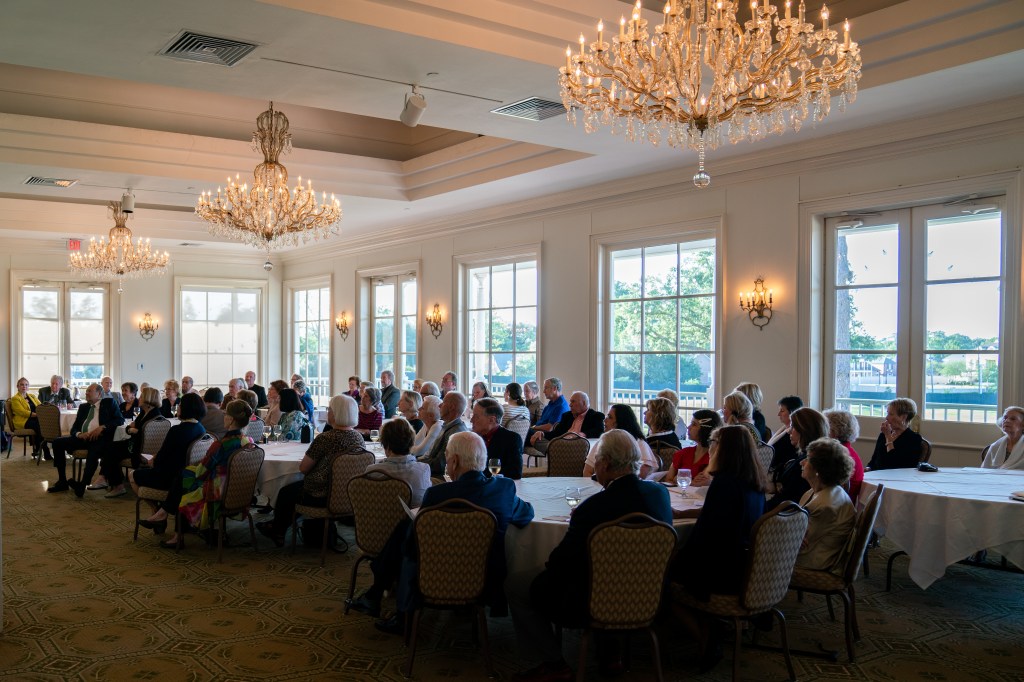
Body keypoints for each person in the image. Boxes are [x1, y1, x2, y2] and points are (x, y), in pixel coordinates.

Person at [510, 429, 672, 682]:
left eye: (596, 461)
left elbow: (560, 563)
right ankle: (611, 654)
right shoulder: (660, 495)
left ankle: (553, 664)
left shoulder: (594, 507)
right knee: (609, 572)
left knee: (516, 585)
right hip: (649, 595)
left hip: (589, 601)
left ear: (605, 464)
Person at [351, 431, 534, 634]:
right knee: (406, 529)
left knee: (407, 537)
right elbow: (526, 515)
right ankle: (376, 593)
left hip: (436, 574)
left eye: (447, 457)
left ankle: (396, 609)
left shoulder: (438, 494)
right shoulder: (503, 489)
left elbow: (412, 546)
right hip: (486, 575)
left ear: (454, 461)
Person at [671, 425, 768, 670]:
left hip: (722, 571)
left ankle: (706, 639)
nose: (710, 449)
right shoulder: (753, 482)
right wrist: (686, 513)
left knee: (659, 580)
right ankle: (710, 627)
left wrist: (675, 557)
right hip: (747, 566)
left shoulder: (724, 484)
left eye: (714, 444)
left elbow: (706, 536)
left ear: (723, 450)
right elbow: (723, 514)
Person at [256, 395, 367, 546]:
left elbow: (303, 468)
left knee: (286, 492)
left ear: (336, 413)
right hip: (348, 493)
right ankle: (277, 526)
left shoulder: (325, 438)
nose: (328, 413)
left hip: (321, 495)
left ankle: (278, 529)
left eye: (329, 410)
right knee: (293, 491)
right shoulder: (358, 438)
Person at [172, 399, 255, 547]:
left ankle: (178, 534)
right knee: (185, 476)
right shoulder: (248, 442)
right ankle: (185, 528)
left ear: (231, 419)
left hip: (217, 492)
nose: (223, 416)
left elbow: (201, 472)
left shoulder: (220, 445)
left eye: (225, 414)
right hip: (239, 491)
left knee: (183, 477)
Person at [130, 393, 206, 537]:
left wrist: (152, 460)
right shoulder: (201, 428)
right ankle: (160, 512)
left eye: (180, 405)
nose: (178, 408)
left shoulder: (177, 430)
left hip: (169, 478)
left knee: (132, 475)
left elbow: (161, 459)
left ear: (185, 408)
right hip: (187, 476)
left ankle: (155, 508)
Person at [49, 383, 123, 495]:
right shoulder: (83, 407)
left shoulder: (109, 403)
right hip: (83, 438)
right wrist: (79, 434)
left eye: (89, 391)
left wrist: (103, 427)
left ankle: (82, 485)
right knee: (57, 442)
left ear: (99, 394)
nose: (86, 393)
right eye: (87, 391)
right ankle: (62, 481)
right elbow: (74, 428)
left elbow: (119, 420)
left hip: (100, 439)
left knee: (94, 450)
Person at [795, 438, 856, 572]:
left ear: (819, 469)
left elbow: (800, 544)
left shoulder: (824, 505)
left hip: (813, 562)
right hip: (814, 551)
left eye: (807, 459)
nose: (801, 462)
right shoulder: (826, 490)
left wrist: (792, 534)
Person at [101, 386, 163, 498]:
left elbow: (140, 433)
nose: (139, 398)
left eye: (142, 396)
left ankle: (116, 484)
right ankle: (107, 479)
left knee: (110, 450)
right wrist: (132, 430)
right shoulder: (146, 413)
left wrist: (133, 430)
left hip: (138, 449)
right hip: (137, 445)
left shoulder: (152, 415)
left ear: (148, 399)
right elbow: (129, 428)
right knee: (109, 447)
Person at [766, 407, 830, 510]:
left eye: (793, 427)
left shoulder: (805, 463)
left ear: (804, 430)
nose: (789, 431)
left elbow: (787, 500)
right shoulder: (807, 455)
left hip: (786, 513)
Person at [364, 418, 432, 506]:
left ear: (386, 445)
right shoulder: (423, 470)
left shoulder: (372, 471)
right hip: (413, 515)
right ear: (411, 443)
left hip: (378, 514)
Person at [583, 404, 658, 479]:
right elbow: (587, 471)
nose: (605, 420)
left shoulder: (639, 443)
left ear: (621, 422)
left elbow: (642, 473)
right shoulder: (602, 442)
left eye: (610, 417)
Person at [663, 409, 723, 486]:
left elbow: (703, 483)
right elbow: (668, 480)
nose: (688, 427)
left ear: (705, 430)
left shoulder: (715, 457)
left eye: (694, 424)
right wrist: (691, 482)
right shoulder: (683, 453)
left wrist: (679, 479)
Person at [529, 390, 603, 452]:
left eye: (573, 402)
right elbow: (556, 433)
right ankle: (556, 451)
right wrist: (542, 433)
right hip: (561, 443)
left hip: (578, 448)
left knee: (551, 446)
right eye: (570, 402)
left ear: (584, 403)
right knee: (536, 439)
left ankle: (555, 451)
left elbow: (599, 431)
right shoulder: (567, 416)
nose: (570, 405)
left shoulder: (596, 416)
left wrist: (582, 434)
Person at [418, 391, 469, 477]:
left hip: (440, 478)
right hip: (431, 472)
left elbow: (440, 465)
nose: (439, 406)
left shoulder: (455, 433)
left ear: (451, 407)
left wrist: (415, 464)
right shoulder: (448, 426)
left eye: (443, 403)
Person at [471, 397, 524, 479]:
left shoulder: (511, 439)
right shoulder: (472, 438)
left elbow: (515, 474)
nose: (471, 420)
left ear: (492, 420)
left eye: (476, 416)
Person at [866, 397, 924, 470]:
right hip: (877, 475)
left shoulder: (913, 439)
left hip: (897, 476)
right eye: (887, 413)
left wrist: (888, 437)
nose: (886, 418)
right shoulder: (883, 435)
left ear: (903, 417)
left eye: (891, 414)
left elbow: (893, 465)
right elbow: (873, 462)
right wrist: (868, 469)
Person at [823, 408, 865, 500]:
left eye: (824, 427)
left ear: (834, 432)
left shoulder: (836, 455)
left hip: (837, 505)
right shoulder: (849, 451)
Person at [767, 395, 803, 480]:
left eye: (782, 411)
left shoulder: (792, 437)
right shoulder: (784, 429)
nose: (778, 414)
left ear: (792, 412)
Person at [10, 377, 45, 458]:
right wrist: (36, 415)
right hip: (23, 421)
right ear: (17, 386)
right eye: (22, 385)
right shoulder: (15, 399)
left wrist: (43, 411)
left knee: (42, 423)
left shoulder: (32, 396)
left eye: (26, 385)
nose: (24, 386)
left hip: (35, 419)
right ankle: (43, 449)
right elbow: (22, 412)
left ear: (28, 386)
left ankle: (38, 448)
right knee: (39, 425)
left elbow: (40, 406)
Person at [527, 378, 569, 444]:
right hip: (537, 432)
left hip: (545, 436)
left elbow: (550, 428)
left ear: (554, 388)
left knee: (519, 435)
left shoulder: (560, 406)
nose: (543, 391)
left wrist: (534, 427)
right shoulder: (550, 404)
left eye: (546, 388)